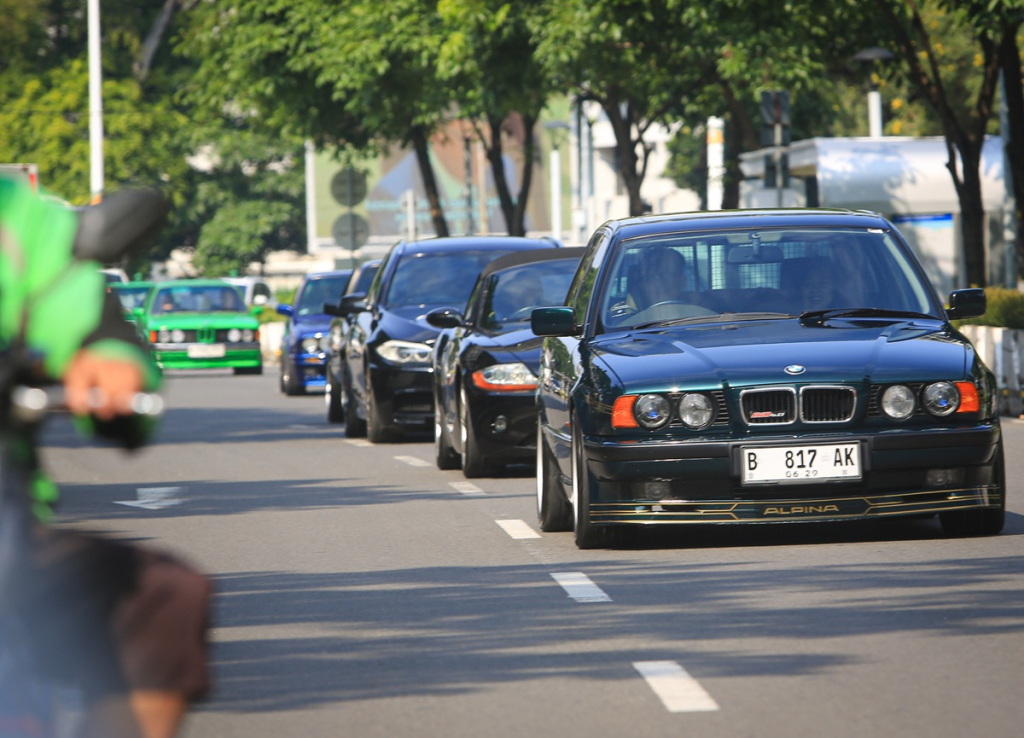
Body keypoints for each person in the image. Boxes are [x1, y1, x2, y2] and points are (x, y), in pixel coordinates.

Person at [0, 175, 210, 738]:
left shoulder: (20, 222)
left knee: (169, 598)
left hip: (11, 531)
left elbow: (89, 322)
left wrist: (110, 360)